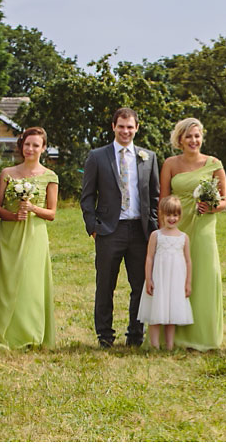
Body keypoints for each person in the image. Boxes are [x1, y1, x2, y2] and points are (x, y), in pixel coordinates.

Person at [80, 107, 160, 348]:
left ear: (137, 128)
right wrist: (93, 226)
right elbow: (87, 196)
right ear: (113, 127)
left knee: (139, 285)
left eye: (130, 127)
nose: (125, 131)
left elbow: (154, 195)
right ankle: (105, 335)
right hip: (108, 230)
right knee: (105, 284)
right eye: (121, 126)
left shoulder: (149, 157)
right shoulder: (97, 156)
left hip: (139, 230)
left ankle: (135, 334)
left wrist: (153, 226)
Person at [0, 127, 58, 351]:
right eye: (27, 144)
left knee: (31, 284)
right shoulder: (8, 173)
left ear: (43, 148)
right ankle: (1, 332)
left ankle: (31, 334)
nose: (31, 149)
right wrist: (13, 215)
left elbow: (52, 213)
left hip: (35, 234)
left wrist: (33, 208)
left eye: (36, 145)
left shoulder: (50, 176)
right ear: (21, 145)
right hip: (10, 234)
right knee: (7, 281)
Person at [159, 118, 226, 350]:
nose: (193, 140)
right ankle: (175, 335)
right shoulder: (170, 164)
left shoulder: (214, 163)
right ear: (180, 139)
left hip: (204, 226)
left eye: (197, 136)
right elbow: (163, 200)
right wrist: (163, 234)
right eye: (188, 136)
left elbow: (224, 200)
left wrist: (212, 206)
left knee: (204, 275)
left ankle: (203, 335)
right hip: (176, 225)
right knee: (176, 276)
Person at [137, 195, 193, 350]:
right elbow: (149, 258)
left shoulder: (183, 237)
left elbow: (188, 261)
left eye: (175, 215)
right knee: (156, 313)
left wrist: (188, 283)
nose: (172, 219)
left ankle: (169, 345)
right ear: (162, 215)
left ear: (180, 216)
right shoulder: (156, 235)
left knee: (171, 314)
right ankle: (154, 345)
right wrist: (148, 279)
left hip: (176, 281)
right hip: (159, 278)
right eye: (168, 215)